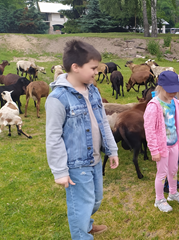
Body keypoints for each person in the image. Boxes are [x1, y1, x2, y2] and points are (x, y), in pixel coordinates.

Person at [45, 40, 119, 239]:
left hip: (94, 159)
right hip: (76, 165)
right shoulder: (57, 98)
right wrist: (59, 171)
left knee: (95, 200)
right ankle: (81, 232)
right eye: (93, 68)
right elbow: (53, 137)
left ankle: (86, 223)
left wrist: (112, 150)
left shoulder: (92, 90)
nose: (97, 72)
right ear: (75, 67)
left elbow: (103, 121)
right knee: (81, 205)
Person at [144, 71, 179, 213]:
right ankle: (159, 199)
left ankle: (173, 193)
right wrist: (154, 150)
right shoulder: (154, 106)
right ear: (160, 86)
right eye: (170, 90)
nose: (173, 92)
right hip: (162, 146)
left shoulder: (175, 102)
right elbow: (149, 129)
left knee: (173, 169)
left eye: (175, 89)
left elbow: (178, 117)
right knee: (162, 173)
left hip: (173, 143)